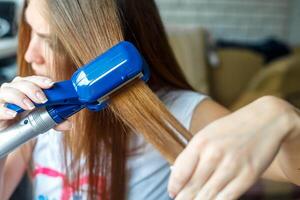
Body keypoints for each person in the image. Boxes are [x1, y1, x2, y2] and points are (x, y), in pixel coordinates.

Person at [0, 1, 299, 200]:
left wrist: (283, 119)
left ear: (104, 52)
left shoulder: (181, 113)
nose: (29, 56)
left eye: (51, 41)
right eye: (29, 32)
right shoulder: (37, 116)